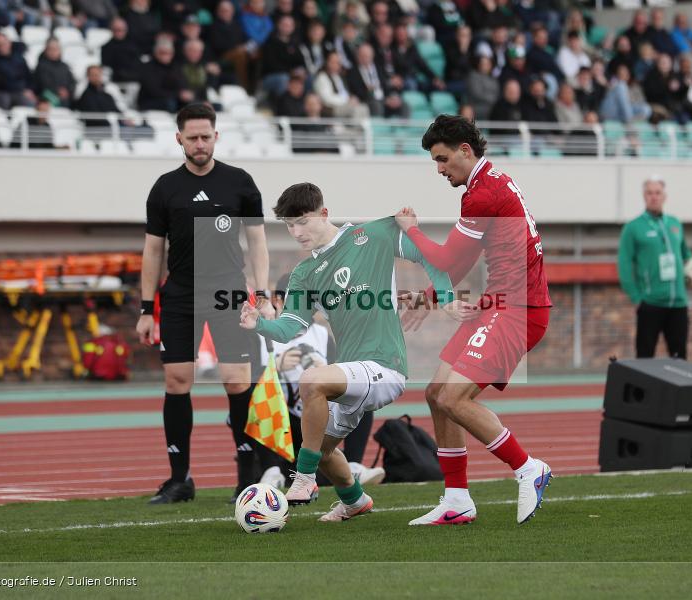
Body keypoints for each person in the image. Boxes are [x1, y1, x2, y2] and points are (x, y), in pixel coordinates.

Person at [239, 182, 459, 521]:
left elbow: (429, 254)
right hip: (353, 372)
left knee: (312, 382)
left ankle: (305, 478)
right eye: (289, 225)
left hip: (386, 366)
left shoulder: (371, 234)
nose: (297, 232)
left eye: (303, 221)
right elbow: (291, 327)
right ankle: (355, 501)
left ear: (324, 214)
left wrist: (444, 299)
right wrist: (258, 325)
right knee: (322, 447)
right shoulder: (304, 273)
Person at [393, 114, 554, 526]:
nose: (439, 169)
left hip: (517, 309)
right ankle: (457, 499)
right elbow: (461, 261)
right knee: (436, 394)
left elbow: (446, 258)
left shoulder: (482, 194)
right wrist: (430, 298)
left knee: (453, 397)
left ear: (466, 149)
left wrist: (410, 230)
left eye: (443, 158)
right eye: (435, 161)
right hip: (498, 303)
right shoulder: (486, 185)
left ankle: (527, 468)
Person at [136, 103, 274, 504]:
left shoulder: (240, 183)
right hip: (179, 294)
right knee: (177, 382)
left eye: (206, 136)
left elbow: (258, 243)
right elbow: (152, 251)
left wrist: (261, 295)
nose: (200, 144)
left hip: (229, 292)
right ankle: (180, 479)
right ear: (179, 138)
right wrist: (147, 309)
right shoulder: (165, 188)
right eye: (192, 137)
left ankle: (246, 480)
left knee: (237, 381)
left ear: (217, 137)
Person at [259, 272, 385, 488]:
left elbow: (344, 372)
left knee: (359, 394)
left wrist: (325, 370)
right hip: (284, 421)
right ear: (278, 301)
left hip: (316, 415)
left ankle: (353, 464)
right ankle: (271, 471)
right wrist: (277, 367)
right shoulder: (264, 334)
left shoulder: (321, 334)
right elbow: (250, 385)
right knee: (262, 399)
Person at [617, 176, 692, 360]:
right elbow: (624, 265)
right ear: (644, 196)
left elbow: (686, 255)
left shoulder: (674, 223)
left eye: (658, 193)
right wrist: (637, 297)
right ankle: (643, 391)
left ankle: (678, 390)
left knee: (679, 359)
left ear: (664, 196)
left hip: (678, 304)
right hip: (650, 304)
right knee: (644, 359)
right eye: (650, 193)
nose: (654, 197)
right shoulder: (633, 228)